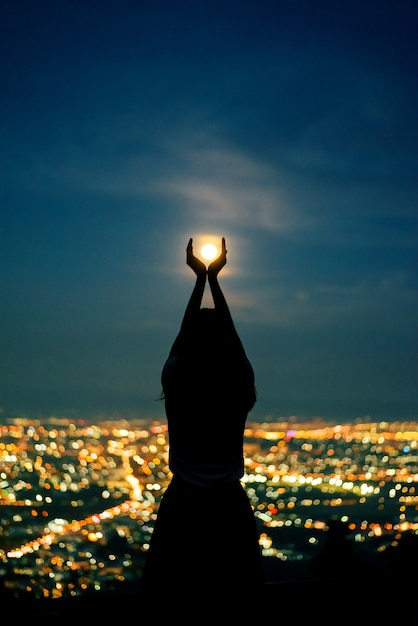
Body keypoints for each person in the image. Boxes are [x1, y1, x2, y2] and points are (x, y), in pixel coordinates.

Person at [140, 237, 264, 608]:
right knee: (239, 594)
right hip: (229, 507)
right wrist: (215, 280)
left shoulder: (178, 384)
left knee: (169, 593)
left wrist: (200, 281)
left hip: (184, 505)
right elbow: (233, 341)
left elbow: (181, 341)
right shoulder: (237, 386)